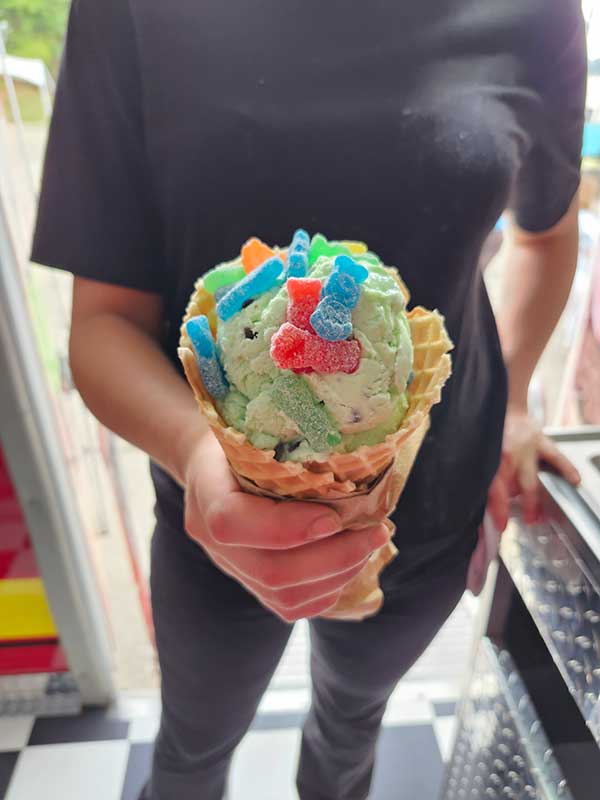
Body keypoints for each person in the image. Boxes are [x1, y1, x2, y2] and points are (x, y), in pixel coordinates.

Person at [31, 1, 586, 797]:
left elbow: (544, 234)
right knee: (191, 752)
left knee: (350, 735)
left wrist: (516, 400)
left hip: (433, 509)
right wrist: (196, 453)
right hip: (213, 508)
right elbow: (103, 324)